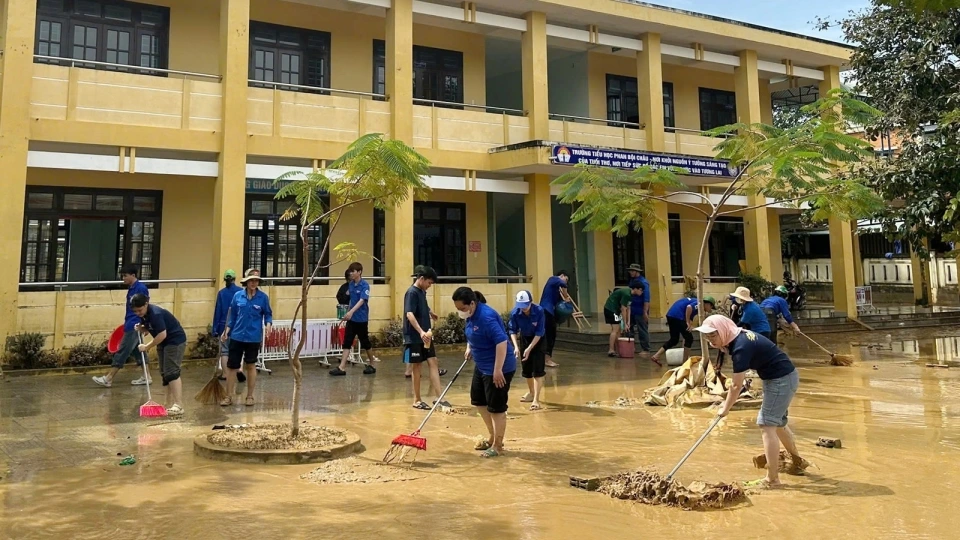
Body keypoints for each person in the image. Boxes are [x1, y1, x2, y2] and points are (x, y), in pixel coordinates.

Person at [697, 315, 808, 489]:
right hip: (781, 377)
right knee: (777, 424)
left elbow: (736, 386)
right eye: (707, 336)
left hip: (781, 380)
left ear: (724, 330)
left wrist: (725, 409)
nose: (710, 340)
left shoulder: (740, 347)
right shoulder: (736, 337)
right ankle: (797, 462)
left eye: (713, 335)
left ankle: (772, 480)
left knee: (766, 425)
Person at [454, 287, 517, 458]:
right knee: (478, 400)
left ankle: (498, 445)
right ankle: (492, 436)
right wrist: (469, 347)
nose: (461, 312)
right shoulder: (471, 315)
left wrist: (497, 370)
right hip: (481, 365)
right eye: (458, 309)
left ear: (472, 304)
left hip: (498, 367)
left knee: (496, 407)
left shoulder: (486, 317)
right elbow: (472, 333)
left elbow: (502, 343)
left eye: (462, 309)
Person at [93, 264, 152, 388]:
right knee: (138, 351)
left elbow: (146, 307)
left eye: (125, 276)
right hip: (131, 322)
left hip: (135, 325)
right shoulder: (132, 288)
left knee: (122, 351)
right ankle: (147, 377)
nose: (123, 278)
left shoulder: (140, 288)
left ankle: (109, 378)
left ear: (133, 275)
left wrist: (145, 324)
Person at [220, 269, 272, 406]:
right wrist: (226, 331)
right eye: (251, 280)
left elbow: (268, 314)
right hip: (237, 336)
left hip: (253, 337)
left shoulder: (263, 298)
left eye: (256, 280)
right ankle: (228, 396)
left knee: (251, 365)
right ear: (246, 282)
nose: (254, 283)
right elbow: (232, 316)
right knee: (232, 367)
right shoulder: (238, 296)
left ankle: (249, 396)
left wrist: (268, 325)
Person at [131, 293, 187, 416]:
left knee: (171, 371)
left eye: (139, 310)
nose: (138, 313)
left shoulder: (156, 313)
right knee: (164, 373)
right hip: (164, 343)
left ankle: (179, 404)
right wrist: (143, 328)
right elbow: (151, 327)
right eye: (135, 311)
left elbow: (162, 334)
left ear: (146, 304)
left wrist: (146, 347)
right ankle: (168, 403)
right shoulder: (145, 315)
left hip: (174, 341)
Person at [403, 266, 448, 410]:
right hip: (415, 336)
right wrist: (421, 332)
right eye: (429, 283)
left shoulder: (422, 291)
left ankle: (439, 397)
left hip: (426, 335)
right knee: (417, 366)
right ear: (421, 279)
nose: (429, 286)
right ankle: (417, 399)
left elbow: (423, 306)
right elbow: (409, 314)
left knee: (433, 361)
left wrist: (431, 313)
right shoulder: (411, 293)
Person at [330, 262, 378, 376]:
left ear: (359, 272)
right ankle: (342, 367)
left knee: (365, 341)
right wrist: (346, 312)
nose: (351, 273)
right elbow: (350, 299)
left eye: (353, 271)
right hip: (351, 319)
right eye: (350, 271)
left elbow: (362, 301)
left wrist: (351, 312)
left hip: (361, 319)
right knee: (347, 341)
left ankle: (372, 363)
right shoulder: (351, 285)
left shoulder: (365, 285)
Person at [508, 290, 546, 411]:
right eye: (521, 306)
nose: (523, 309)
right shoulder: (515, 313)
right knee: (527, 368)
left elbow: (540, 331)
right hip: (525, 338)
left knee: (537, 370)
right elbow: (512, 330)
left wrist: (530, 348)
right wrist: (516, 346)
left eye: (525, 306)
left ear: (530, 302)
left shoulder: (539, 311)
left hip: (538, 340)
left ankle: (536, 400)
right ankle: (531, 393)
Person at [650, 296, 715, 366]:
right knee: (689, 338)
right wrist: (687, 322)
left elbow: (690, 314)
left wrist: (689, 323)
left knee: (674, 339)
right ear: (708, 304)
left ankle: (656, 355)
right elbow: (689, 307)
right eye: (711, 307)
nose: (710, 310)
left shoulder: (696, 304)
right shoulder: (699, 304)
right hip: (678, 316)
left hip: (671, 315)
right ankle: (685, 361)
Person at [212, 269, 244, 384]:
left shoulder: (221, 293)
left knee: (225, 351)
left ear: (225, 280)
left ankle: (225, 374)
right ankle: (239, 369)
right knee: (238, 350)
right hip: (238, 326)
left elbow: (218, 311)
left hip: (223, 326)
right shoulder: (241, 292)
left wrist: (215, 329)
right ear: (235, 279)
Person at [539, 270, 573, 368]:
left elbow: (559, 302)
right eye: (566, 279)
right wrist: (566, 296)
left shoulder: (554, 288)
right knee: (550, 335)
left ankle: (545, 358)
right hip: (546, 311)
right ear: (562, 275)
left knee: (549, 335)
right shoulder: (553, 279)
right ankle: (547, 359)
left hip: (548, 312)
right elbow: (564, 285)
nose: (565, 282)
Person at [603, 283, 644, 357]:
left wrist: (628, 322)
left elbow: (628, 308)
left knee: (618, 331)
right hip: (611, 309)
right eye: (641, 290)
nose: (641, 292)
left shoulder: (630, 295)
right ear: (635, 289)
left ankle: (619, 350)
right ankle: (611, 350)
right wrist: (625, 324)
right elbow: (623, 309)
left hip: (615, 310)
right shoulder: (627, 294)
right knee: (615, 329)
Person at [627, 264, 651, 354]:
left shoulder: (643, 282)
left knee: (642, 329)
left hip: (640, 309)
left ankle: (646, 349)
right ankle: (630, 347)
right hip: (631, 309)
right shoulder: (632, 281)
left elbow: (646, 299)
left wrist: (645, 312)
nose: (630, 272)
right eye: (630, 271)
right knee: (630, 329)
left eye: (632, 271)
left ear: (637, 272)